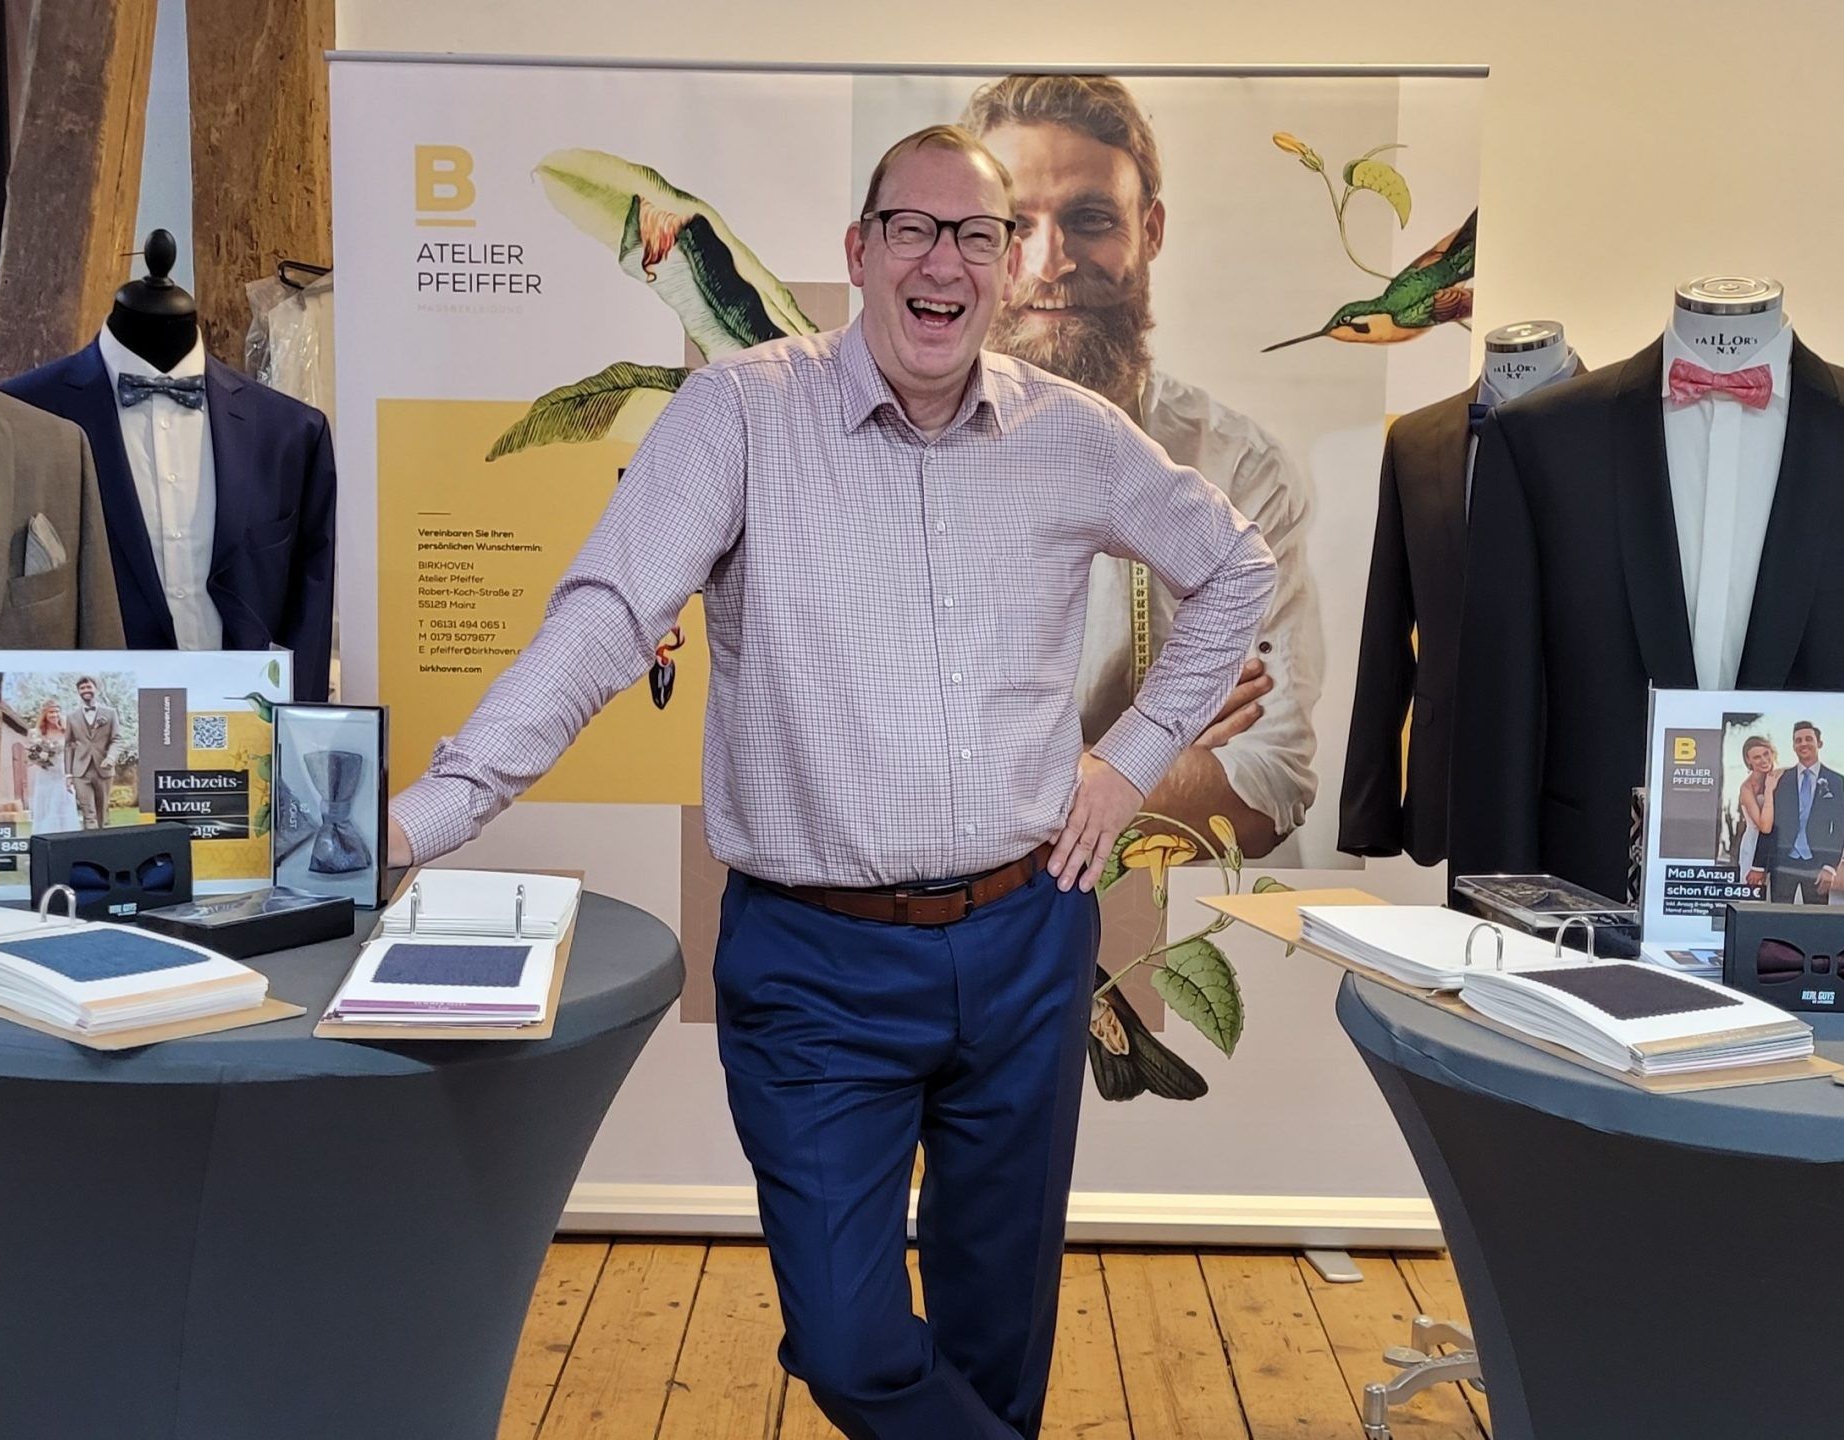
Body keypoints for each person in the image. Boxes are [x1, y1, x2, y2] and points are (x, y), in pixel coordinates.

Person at [384, 125, 1272, 1440]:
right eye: (912, 229)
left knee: (997, 1343)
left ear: (1010, 265)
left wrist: (1127, 761)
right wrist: (419, 821)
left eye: (976, 236)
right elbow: (607, 619)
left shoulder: (1074, 436)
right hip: (815, 965)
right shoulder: (739, 413)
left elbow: (1237, 571)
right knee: (852, 1348)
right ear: (859, 252)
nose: (942, 262)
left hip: (1027, 941)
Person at [965, 73, 1323, 856]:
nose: (1050, 263)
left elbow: (1266, 785)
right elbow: (881, 769)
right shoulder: (893, 453)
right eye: (1013, 225)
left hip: (1164, 916)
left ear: (1150, 229)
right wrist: (1157, 746)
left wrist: (993, 780)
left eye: (1090, 219)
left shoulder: (1236, 468)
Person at [1766, 721, 1844, 903]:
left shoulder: (1835, 781)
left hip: (1817, 864)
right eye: (1798, 740)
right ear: (1793, 746)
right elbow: (1771, 824)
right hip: (1783, 863)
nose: (1803, 744)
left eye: (1808, 739)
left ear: (1819, 743)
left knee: (1816, 917)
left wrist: (1830, 867)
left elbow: (1840, 827)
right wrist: (1764, 865)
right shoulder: (1781, 779)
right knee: (1778, 915)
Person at [66, 676, 117, 830]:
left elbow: (116, 739)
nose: (86, 690)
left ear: (96, 689)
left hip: (104, 769)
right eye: (82, 688)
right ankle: (90, 840)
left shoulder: (110, 713)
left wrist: (111, 757)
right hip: (80, 771)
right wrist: (68, 774)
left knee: (102, 813)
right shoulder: (72, 717)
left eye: (89, 687)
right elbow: (68, 745)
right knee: (88, 813)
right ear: (78, 692)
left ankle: (101, 841)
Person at [27, 701, 81, 834]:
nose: (54, 715)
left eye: (57, 712)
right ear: (45, 714)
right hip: (45, 773)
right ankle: (46, 833)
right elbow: (31, 753)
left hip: (63, 772)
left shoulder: (66, 731)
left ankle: (66, 834)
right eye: (51, 712)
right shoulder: (36, 733)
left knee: (64, 802)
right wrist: (39, 759)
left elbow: (75, 752)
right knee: (46, 803)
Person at [1734, 734, 1777, 886]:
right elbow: (1764, 827)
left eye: (1766, 754)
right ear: (1748, 761)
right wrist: (1769, 791)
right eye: (1757, 757)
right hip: (1753, 846)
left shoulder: (1780, 775)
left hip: (1777, 847)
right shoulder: (1747, 789)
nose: (1764, 760)